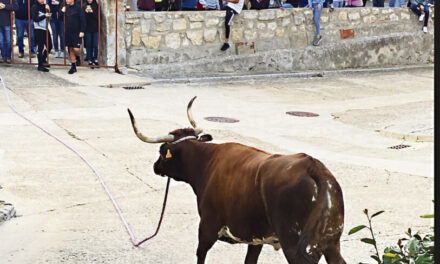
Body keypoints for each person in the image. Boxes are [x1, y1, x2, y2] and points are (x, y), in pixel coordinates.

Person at [60, 0, 85, 74]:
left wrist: (82, 31)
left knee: (76, 49)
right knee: (70, 49)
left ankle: (77, 57)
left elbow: (83, 20)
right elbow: (60, 18)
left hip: (76, 32)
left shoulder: (78, 8)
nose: (67, 0)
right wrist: (62, 12)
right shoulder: (66, 8)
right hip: (68, 32)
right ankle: (73, 66)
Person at [31, 0, 52, 71]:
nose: (42, 0)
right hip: (38, 29)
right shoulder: (34, 7)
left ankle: (43, 60)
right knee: (40, 47)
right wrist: (44, 15)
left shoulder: (45, 6)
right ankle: (40, 65)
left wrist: (48, 10)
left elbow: (48, 17)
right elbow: (35, 19)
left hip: (45, 28)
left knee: (49, 46)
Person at [84, 0, 98, 67]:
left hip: (95, 28)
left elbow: (98, 17)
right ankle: (90, 59)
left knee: (95, 44)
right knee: (88, 45)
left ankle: (95, 58)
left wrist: (92, 12)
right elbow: (82, 18)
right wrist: (85, 12)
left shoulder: (96, 5)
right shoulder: (84, 5)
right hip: (87, 28)